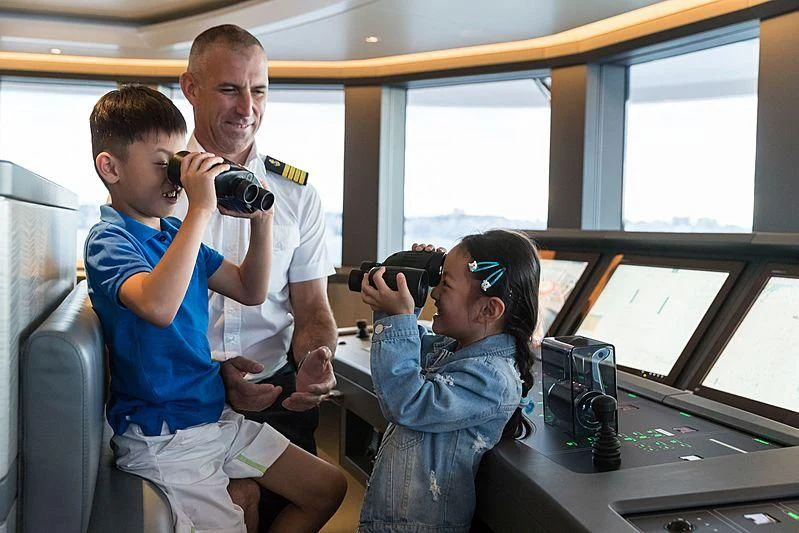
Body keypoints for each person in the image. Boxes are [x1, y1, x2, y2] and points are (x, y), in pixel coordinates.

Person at [84, 85, 345, 533]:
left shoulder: (171, 234)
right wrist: (200, 209)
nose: (176, 178)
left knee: (326, 487)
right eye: (163, 164)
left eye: (179, 161)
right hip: (166, 436)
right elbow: (157, 306)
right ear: (110, 168)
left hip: (213, 418)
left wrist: (262, 223)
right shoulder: (109, 241)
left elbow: (249, 288)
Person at [176, 25, 339, 528]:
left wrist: (316, 360)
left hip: (279, 397)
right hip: (187, 400)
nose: (247, 107)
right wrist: (215, 378)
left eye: (259, 90)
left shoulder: (298, 193)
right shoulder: (158, 188)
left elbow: (312, 308)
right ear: (190, 89)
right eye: (230, 89)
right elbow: (143, 312)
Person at [358, 230, 541, 532]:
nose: (434, 294)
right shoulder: (454, 349)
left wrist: (397, 317)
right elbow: (407, 347)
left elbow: (407, 401)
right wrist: (409, 284)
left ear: (488, 309)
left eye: (446, 284)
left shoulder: (492, 379)